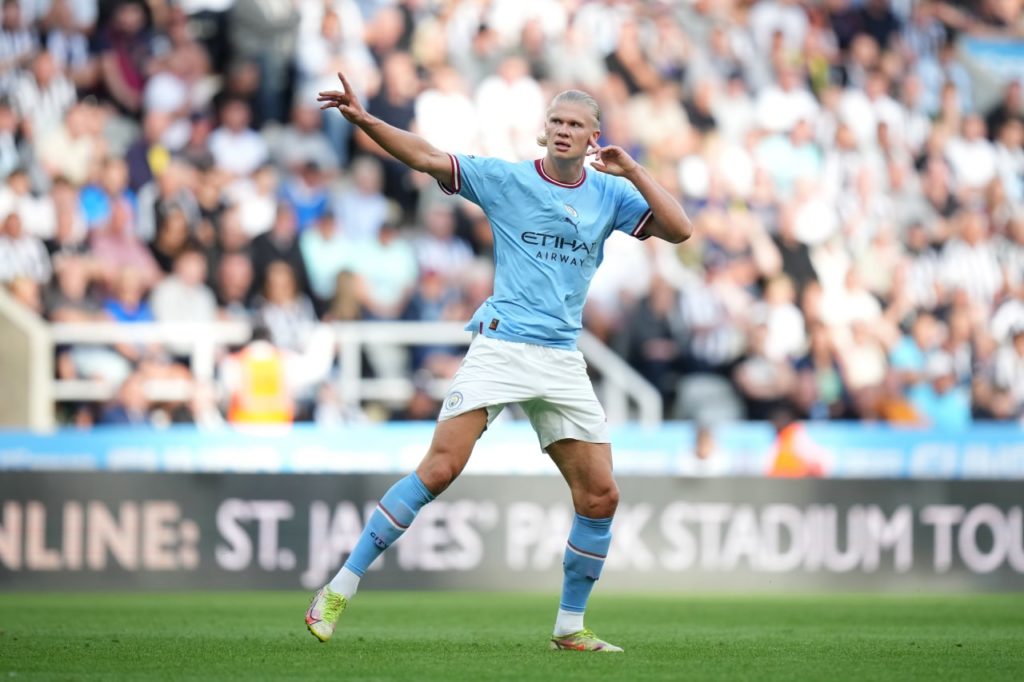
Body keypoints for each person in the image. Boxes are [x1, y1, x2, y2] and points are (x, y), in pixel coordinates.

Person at [307, 72, 692, 652]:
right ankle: (339, 587)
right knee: (440, 468)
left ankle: (570, 626)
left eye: (575, 125)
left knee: (601, 497)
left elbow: (681, 230)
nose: (562, 131)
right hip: (503, 345)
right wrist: (364, 121)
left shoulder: (610, 194)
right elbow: (428, 157)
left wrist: (633, 170)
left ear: (594, 138)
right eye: (556, 122)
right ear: (544, 131)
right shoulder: (507, 180)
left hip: (562, 358)